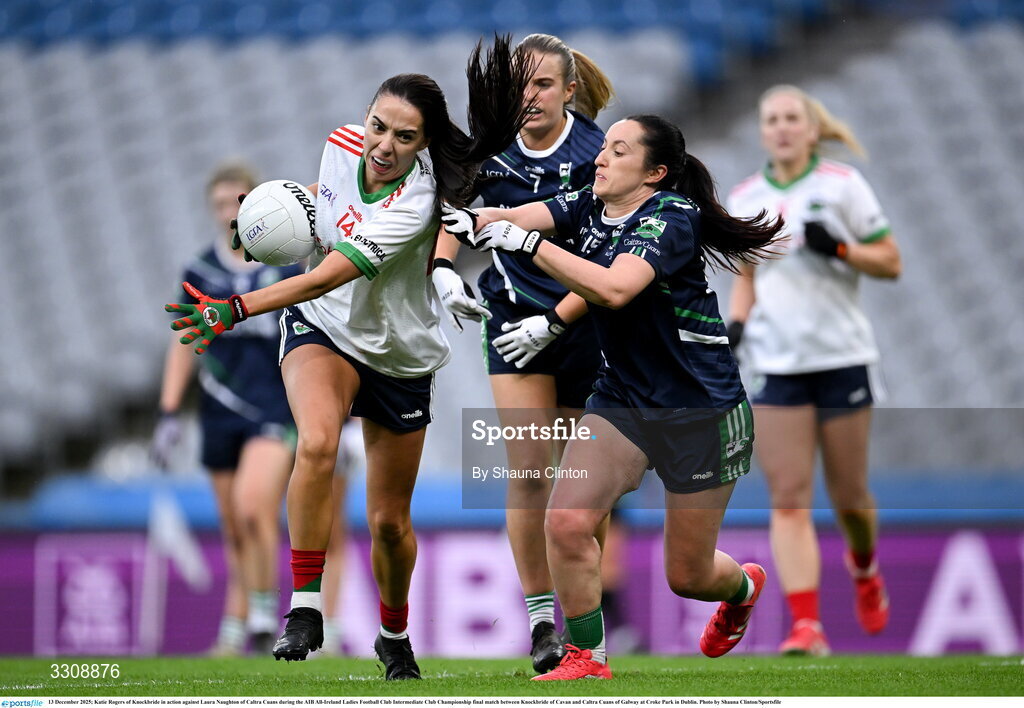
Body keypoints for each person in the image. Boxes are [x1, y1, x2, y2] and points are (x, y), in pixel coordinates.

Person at [165, 37, 534, 680]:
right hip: (323, 333)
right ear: (364, 119)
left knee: (390, 523)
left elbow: (326, 274)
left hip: (398, 354)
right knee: (316, 445)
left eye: (405, 137)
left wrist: (236, 309)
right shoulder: (339, 144)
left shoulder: (417, 204)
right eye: (378, 126)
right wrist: (264, 221)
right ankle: (304, 606)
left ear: (424, 145)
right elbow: (320, 203)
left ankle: (394, 634)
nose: (384, 146)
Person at [441, 113, 785, 679]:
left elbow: (614, 287)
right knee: (566, 523)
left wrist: (525, 243)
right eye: (603, 148)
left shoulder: (672, 217)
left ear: (654, 173)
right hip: (622, 396)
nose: (600, 158)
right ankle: (587, 658)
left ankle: (744, 587)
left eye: (618, 152)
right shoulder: (587, 204)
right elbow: (518, 215)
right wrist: (466, 225)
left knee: (689, 576)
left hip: (701, 407)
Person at [431, 33, 613, 674]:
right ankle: (542, 625)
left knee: (586, 489)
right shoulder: (491, 147)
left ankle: (587, 626)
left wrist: (556, 322)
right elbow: (452, 209)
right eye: (520, 86)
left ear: (568, 91)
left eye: (542, 85)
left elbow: (613, 267)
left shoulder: (601, 154)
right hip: (512, 324)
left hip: (587, 325)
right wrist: (445, 271)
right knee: (529, 471)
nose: (528, 97)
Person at [726, 84, 902, 656]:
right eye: (770, 118)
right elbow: (746, 278)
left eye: (790, 118)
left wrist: (844, 251)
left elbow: (891, 261)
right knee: (789, 497)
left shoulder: (842, 186)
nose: (780, 127)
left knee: (850, 497)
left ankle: (865, 565)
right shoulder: (747, 196)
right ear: (762, 131)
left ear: (809, 128)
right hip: (778, 363)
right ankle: (807, 625)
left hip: (842, 357)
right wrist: (737, 328)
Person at [151, 162, 299, 655]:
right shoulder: (201, 273)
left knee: (254, 505)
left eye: (236, 201)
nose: (227, 213)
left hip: (275, 406)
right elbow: (182, 342)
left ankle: (261, 613)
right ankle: (240, 624)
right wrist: (170, 412)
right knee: (236, 527)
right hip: (217, 408)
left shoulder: (284, 264)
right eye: (218, 204)